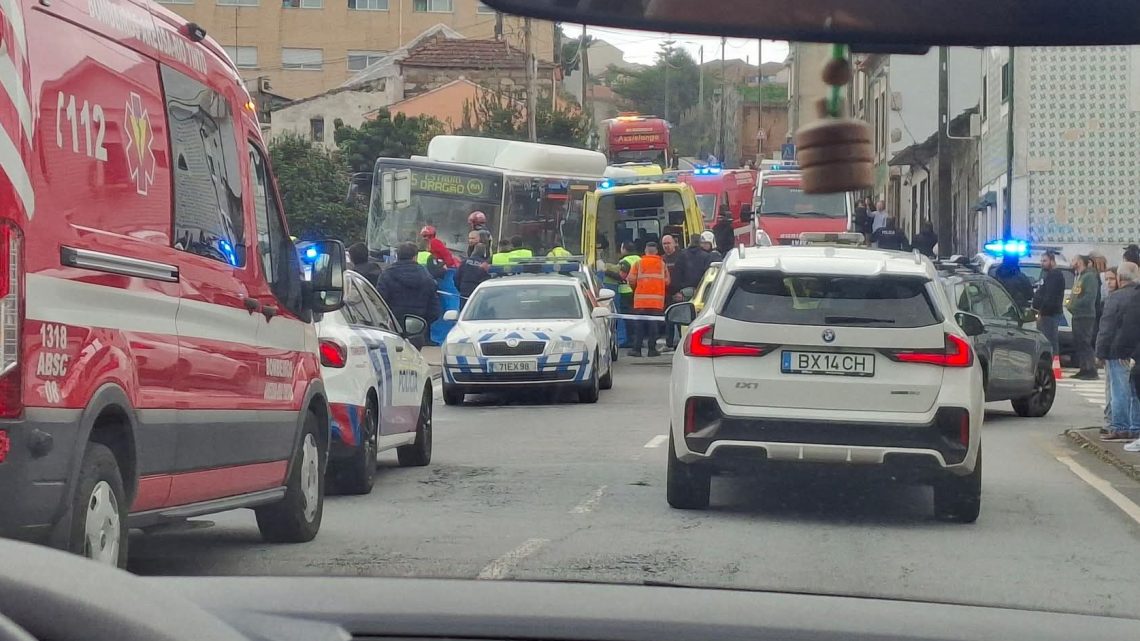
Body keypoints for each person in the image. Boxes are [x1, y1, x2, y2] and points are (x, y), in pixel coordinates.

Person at [1098, 262, 1140, 445]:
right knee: (1134, 391)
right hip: (1136, 351)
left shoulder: (1115, 297)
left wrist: (1100, 351)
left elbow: (1106, 327)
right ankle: (1135, 427)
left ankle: (1120, 426)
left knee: (1119, 389)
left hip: (1117, 349)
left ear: (1119, 278)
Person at [376, 242, 441, 350]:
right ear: (415, 257)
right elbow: (434, 308)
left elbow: (379, 301)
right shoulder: (426, 276)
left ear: (397, 255)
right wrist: (423, 324)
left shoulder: (387, 274)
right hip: (417, 329)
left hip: (393, 327)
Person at [627, 241, 670, 358]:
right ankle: (652, 349)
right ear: (656, 252)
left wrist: (636, 288)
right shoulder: (662, 264)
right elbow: (667, 281)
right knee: (653, 326)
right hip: (656, 302)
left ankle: (637, 349)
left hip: (640, 301)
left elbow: (631, 279)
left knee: (639, 326)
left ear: (646, 250)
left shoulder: (638, 263)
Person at [1068, 254, 1101, 380]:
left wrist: (1075, 304)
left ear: (1080, 262)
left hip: (1085, 315)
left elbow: (1089, 296)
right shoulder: (1081, 276)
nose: (1072, 262)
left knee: (1085, 342)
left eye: (1074, 260)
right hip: (1077, 314)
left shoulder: (1090, 277)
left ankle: (1091, 369)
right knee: (1079, 342)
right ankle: (1084, 368)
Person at [1097, 266, 1120, 432]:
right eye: (1106, 279)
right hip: (1109, 348)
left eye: (1112, 279)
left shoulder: (1119, 299)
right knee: (1110, 386)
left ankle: (1114, 421)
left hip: (1117, 349)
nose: (1109, 282)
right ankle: (1110, 419)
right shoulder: (1108, 298)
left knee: (1116, 388)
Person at [1033, 249, 1067, 358]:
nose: (1042, 263)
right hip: (1047, 314)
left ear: (1052, 261)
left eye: (1044, 261)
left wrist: (1041, 312)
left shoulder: (1055, 275)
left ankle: (1053, 366)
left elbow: (1050, 296)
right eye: (1041, 261)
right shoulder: (1047, 274)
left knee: (1050, 341)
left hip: (1050, 314)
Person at [661, 234, 682, 350]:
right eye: (664, 244)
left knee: (681, 319)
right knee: (668, 319)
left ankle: (682, 342)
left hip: (678, 293)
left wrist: (681, 292)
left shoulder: (681, 257)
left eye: (668, 243)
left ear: (674, 243)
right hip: (666, 294)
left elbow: (685, 275)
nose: (666, 246)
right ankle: (669, 343)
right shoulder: (662, 259)